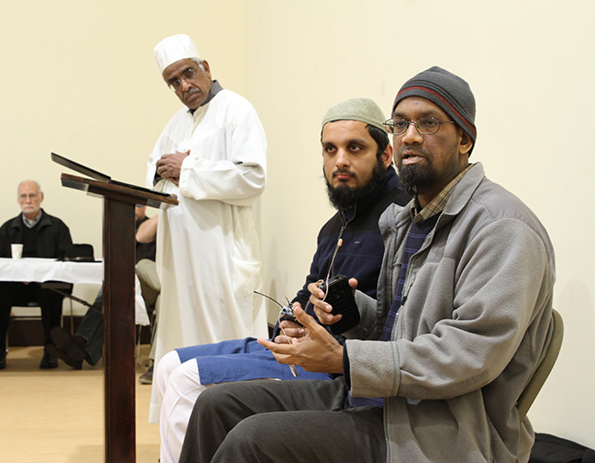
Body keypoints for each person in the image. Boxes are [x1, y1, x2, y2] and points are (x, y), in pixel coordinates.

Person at [179, 67, 556, 463]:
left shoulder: (503, 227)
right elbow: (401, 329)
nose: (410, 135)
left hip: (441, 431)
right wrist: (349, 311)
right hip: (381, 401)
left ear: (464, 138)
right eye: (401, 123)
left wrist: (344, 359)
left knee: (252, 440)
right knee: (215, 407)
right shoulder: (409, 219)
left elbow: (468, 355)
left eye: (428, 122)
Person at [153, 98, 410, 463]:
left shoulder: (400, 221)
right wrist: (291, 317)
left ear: (386, 156)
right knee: (167, 365)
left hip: (332, 366)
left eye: (355, 148)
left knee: (186, 382)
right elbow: (308, 290)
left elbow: (387, 322)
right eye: (330, 149)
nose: (340, 161)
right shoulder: (334, 225)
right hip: (291, 345)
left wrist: (317, 336)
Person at [146, 34, 268, 419]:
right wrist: (170, 170)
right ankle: (184, 424)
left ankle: (234, 423)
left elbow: (252, 179)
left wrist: (188, 169)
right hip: (182, 264)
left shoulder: (237, 110)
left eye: (188, 73)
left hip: (220, 256)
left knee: (224, 342)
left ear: (206, 69)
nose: (184, 86)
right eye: (173, 81)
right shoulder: (175, 123)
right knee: (182, 340)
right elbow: (153, 170)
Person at [46, 205, 159, 370]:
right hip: (124, 284)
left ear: (145, 208)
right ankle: (81, 349)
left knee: (110, 293)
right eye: (131, 206)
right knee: (109, 293)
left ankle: (80, 343)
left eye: (138, 206)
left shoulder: (153, 229)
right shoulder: (119, 230)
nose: (133, 209)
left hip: (146, 286)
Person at [0, 180, 73, 370]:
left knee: (52, 289)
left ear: (41, 197)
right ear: (18, 200)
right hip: (16, 285)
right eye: (23, 196)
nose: (28, 200)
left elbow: (67, 261)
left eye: (32, 195)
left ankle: (50, 351)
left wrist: (39, 275)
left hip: (45, 285)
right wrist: (17, 275)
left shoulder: (57, 227)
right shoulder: (8, 228)